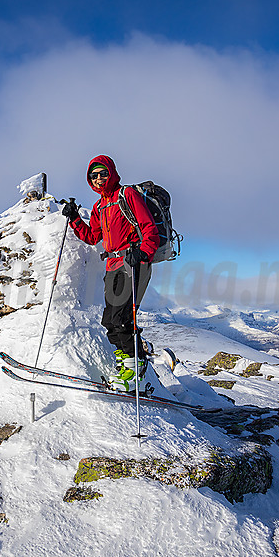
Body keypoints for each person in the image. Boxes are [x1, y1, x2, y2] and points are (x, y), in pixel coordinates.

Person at [61, 155, 160, 393]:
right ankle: (126, 363)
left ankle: (135, 368)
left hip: (133, 262)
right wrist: (74, 218)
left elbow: (149, 229)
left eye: (102, 173)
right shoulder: (99, 207)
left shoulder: (127, 196)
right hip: (113, 266)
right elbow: (92, 236)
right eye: (93, 175)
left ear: (112, 173)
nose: (98, 178)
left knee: (122, 317)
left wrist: (144, 252)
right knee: (110, 320)